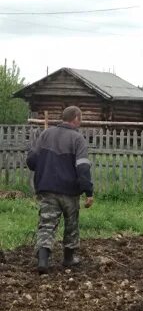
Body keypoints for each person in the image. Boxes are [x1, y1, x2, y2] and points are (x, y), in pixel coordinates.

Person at [26, 106, 94, 274]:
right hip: (69, 191)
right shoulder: (77, 139)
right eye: (81, 118)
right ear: (76, 118)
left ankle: (43, 260)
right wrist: (88, 191)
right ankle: (69, 259)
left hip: (47, 188)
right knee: (71, 224)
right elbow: (83, 167)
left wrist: (45, 168)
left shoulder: (45, 134)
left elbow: (31, 160)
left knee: (46, 224)